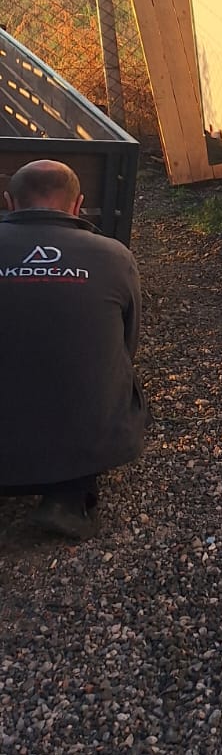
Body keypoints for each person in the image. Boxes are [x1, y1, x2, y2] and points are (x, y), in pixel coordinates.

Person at [0, 159, 145, 539]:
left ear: (8, 203)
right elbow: (127, 344)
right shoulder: (115, 256)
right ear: (78, 205)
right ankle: (68, 496)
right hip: (88, 443)